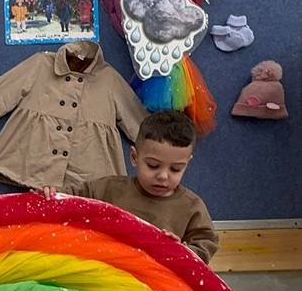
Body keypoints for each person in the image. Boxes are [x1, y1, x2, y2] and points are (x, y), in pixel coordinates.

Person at [39, 110, 218, 263]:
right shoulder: (109, 188)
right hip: (106, 273)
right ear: (134, 157)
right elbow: (71, 198)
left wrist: (182, 251)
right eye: (153, 165)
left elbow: (205, 242)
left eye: (176, 169)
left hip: (155, 284)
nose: (163, 176)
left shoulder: (191, 206)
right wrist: (51, 194)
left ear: (187, 163)